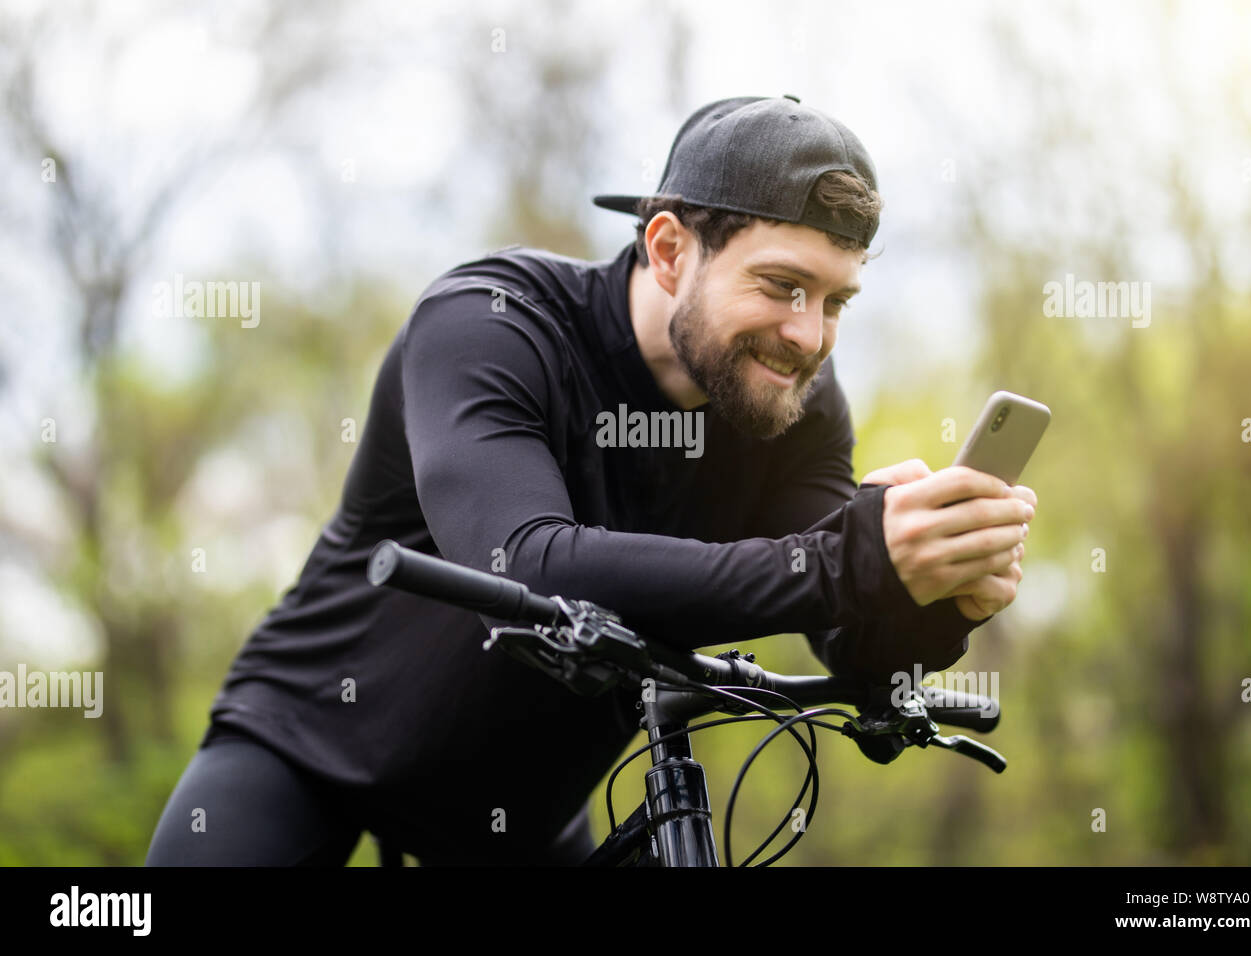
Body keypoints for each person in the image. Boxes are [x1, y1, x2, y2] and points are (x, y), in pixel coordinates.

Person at [145, 93, 1036, 866]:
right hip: (311, 751)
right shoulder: (491, 323)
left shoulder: (793, 399)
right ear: (669, 248)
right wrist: (853, 561)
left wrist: (935, 599)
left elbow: (844, 628)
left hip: (521, 826)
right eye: (781, 285)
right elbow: (524, 567)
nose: (808, 335)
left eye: (836, 301)